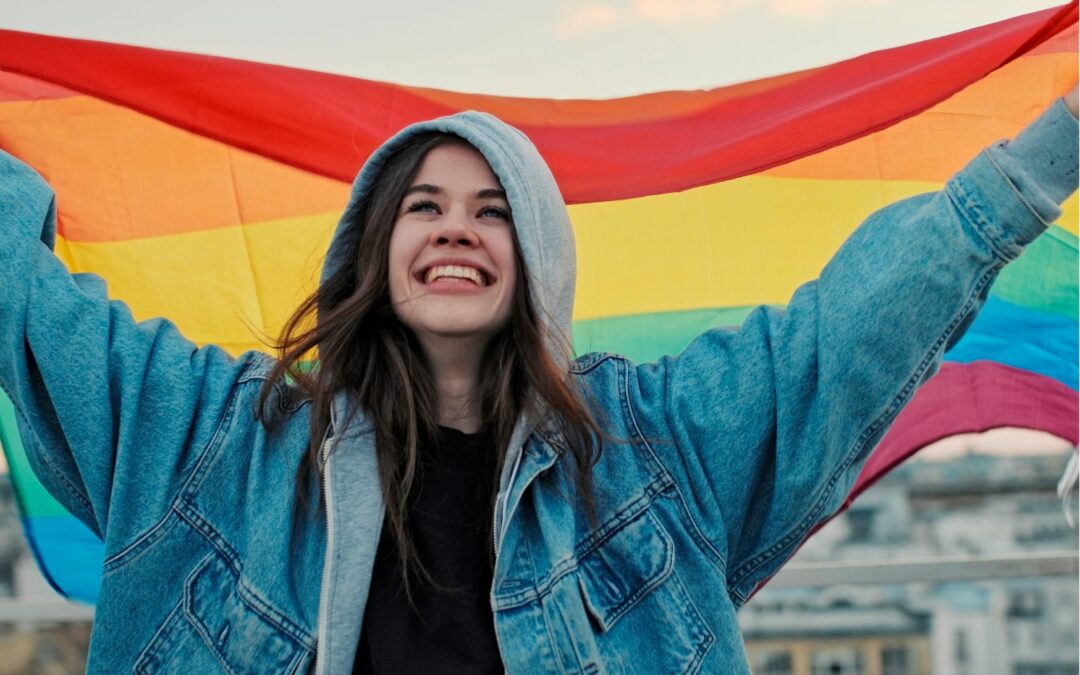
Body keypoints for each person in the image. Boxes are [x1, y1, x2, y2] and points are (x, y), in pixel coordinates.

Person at [0, 73, 1076, 671]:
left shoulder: (659, 450)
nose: (456, 230)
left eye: (494, 210)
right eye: (423, 206)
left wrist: (1053, 150)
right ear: (371, 251)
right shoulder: (208, 436)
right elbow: (26, 297)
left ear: (541, 260)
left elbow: (849, 330)